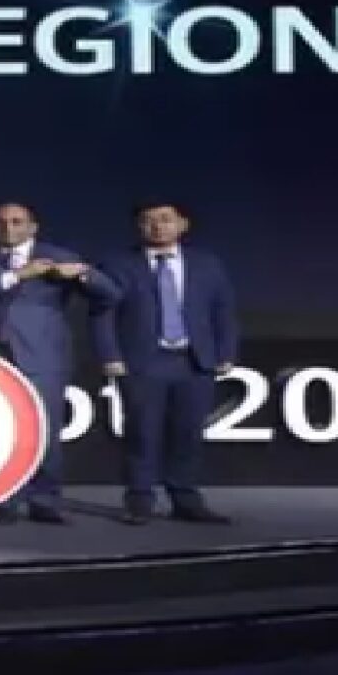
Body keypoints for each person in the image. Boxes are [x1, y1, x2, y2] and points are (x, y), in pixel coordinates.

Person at [0, 202, 120, 525]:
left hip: (43, 356)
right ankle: (3, 501)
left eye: (17, 222)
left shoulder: (57, 256)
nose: (8, 228)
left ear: (33, 227)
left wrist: (84, 273)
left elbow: (110, 295)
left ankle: (45, 500)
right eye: (1, 222)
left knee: (45, 429)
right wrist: (15, 276)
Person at [92, 200, 239, 526]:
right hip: (143, 362)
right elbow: (103, 314)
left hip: (194, 362)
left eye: (165, 219)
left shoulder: (206, 264)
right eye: (149, 221)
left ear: (183, 224)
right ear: (138, 227)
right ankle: (140, 499)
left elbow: (223, 311)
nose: (158, 227)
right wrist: (110, 355)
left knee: (188, 434)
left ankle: (185, 498)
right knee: (142, 433)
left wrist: (226, 352)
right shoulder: (118, 264)